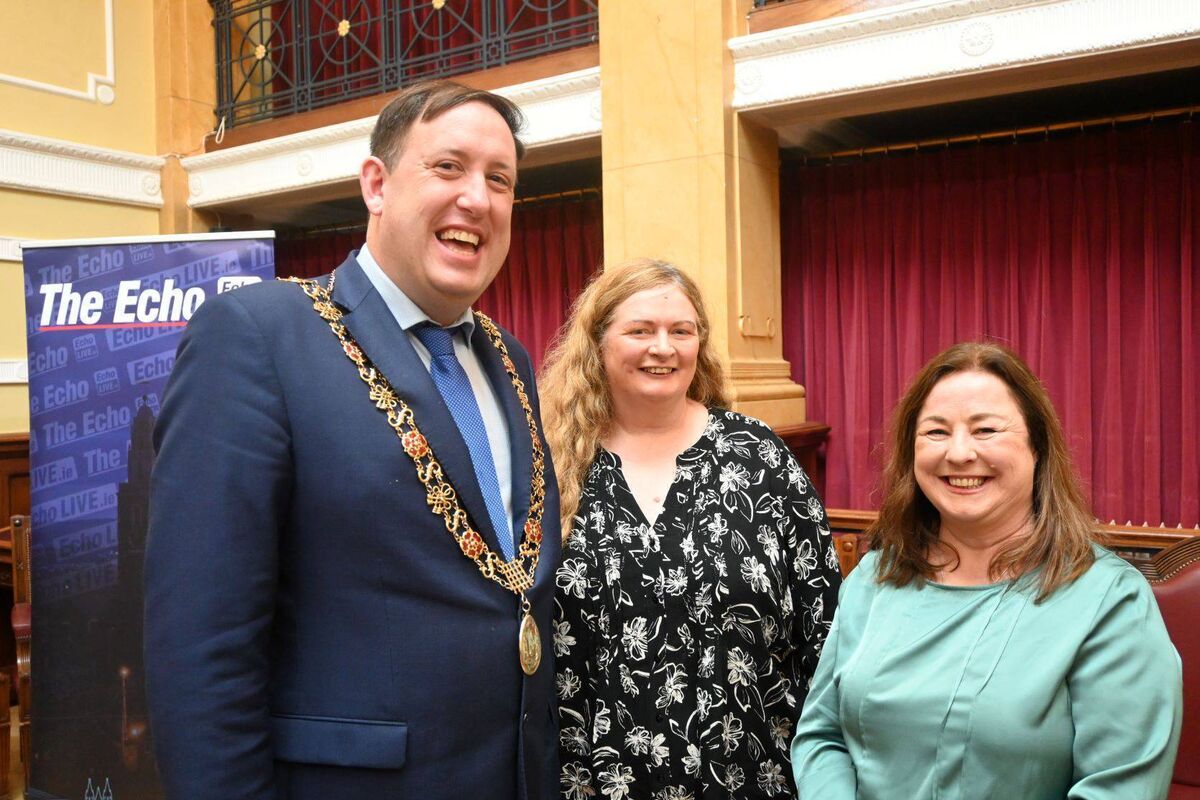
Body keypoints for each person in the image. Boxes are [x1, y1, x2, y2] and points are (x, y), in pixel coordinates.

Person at [144, 80, 561, 800]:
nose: (478, 199)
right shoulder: (258, 337)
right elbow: (202, 651)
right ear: (376, 183)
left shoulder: (509, 359)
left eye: (501, 180)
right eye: (448, 167)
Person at [792, 342, 1182, 799]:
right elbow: (822, 736)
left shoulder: (1110, 602)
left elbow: (1119, 788)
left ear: (1037, 446)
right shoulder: (875, 577)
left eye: (986, 430)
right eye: (936, 432)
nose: (959, 453)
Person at [540, 259, 842, 800]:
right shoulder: (550, 464)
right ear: (598, 345)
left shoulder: (757, 457)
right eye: (640, 330)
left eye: (682, 331)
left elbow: (821, 630)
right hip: (591, 783)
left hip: (751, 776)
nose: (664, 347)